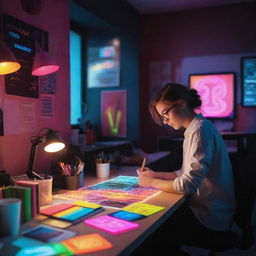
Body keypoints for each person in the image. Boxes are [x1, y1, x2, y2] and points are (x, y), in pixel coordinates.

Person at [136, 83, 236, 255]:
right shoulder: (194, 130)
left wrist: (151, 182)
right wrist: (155, 174)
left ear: (181, 103)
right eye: (162, 117)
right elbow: (184, 174)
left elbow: (187, 185)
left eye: (165, 114)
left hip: (210, 218)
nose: (165, 121)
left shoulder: (200, 132)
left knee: (149, 232)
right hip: (207, 210)